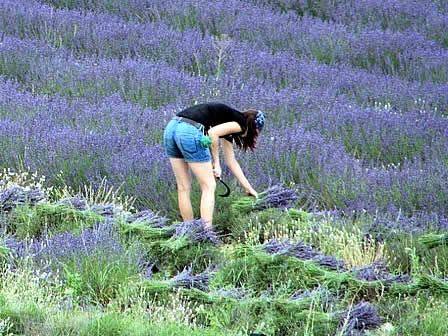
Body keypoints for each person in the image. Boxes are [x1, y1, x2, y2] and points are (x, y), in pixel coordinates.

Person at [163, 102, 265, 227]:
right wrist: (216, 163)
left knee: (183, 187)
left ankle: (188, 231)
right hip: (189, 131)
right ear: (254, 128)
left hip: (172, 128)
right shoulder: (241, 124)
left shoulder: (230, 121)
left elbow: (231, 161)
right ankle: (206, 233)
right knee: (209, 186)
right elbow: (213, 133)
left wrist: (248, 188)